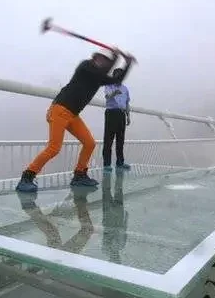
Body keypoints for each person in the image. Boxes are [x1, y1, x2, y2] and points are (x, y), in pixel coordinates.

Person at [16, 49, 135, 192]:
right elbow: (100, 71)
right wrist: (115, 59)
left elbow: (117, 79)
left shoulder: (99, 77)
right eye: (100, 59)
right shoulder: (85, 67)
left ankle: (79, 175)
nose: (101, 62)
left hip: (72, 115)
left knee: (89, 143)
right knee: (54, 148)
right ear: (94, 59)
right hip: (59, 110)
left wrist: (126, 64)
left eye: (104, 60)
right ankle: (27, 176)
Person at [102, 63, 133, 171]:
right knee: (108, 139)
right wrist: (114, 93)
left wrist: (128, 116)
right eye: (118, 76)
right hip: (111, 113)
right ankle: (106, 164)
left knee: (120, 140)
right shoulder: (109, 86)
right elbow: (107, 97)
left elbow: (127, 103)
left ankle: (120, 163)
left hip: (121, 114)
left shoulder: (125, 88)